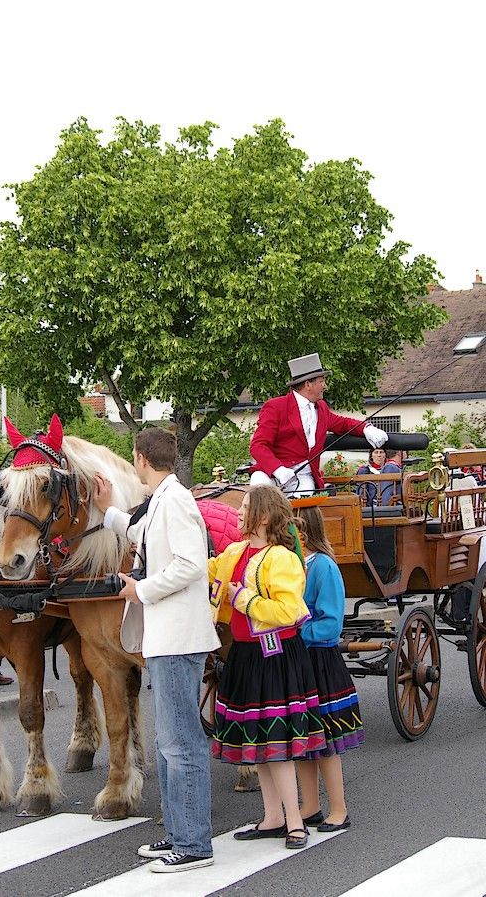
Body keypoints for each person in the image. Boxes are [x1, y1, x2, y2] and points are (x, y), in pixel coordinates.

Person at [93, 427, 220, 874]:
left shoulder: (178, 501)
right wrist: (108, 507)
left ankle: (192, 843)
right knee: (170, 744)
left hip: (178, 639)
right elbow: (138, 529)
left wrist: (139, 590)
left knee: (181, 743)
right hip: (166, 639)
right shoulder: (166, 499)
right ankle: (179, 833)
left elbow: (191, 563)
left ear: (141, 459)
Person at [208, 486, 326, 849]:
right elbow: (205, 571)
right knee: (257, 740)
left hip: (275, 657)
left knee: (278, 743)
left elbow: (288, 612)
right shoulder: (235, 552)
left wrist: (240, 598)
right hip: (246, 655)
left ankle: (295, 822)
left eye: (244, 508)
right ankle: (273, 817)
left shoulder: (283, 558)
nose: (237, 513)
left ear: (262, 516)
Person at [295, 506, 364, 833]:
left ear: (303, 532)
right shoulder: (296, 564)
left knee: (326, 741)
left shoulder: (324, 567)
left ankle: (339, 808)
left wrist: (295, 632)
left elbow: (331, 625)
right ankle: (309, 805)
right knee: (302, 738)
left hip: (320, 661)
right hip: (299, 660)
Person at [249, 352, 388, 494]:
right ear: (308, 384)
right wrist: (278, 470)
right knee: (259, 498)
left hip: (303, 476)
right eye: (321, 381)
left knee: (306, 510)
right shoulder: (276, 406)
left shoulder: (321, 407)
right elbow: (258, 445)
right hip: (270, 474)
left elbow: (342, 423)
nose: (325, 386)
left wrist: (366, 428)